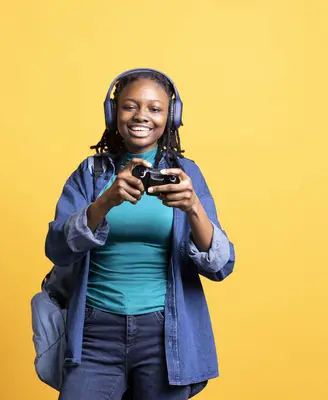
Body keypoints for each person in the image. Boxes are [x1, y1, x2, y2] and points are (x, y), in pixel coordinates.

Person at [44, 68, 236, 400]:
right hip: (94, 330)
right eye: (130, 106)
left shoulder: (187, 174)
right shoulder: (91, 174)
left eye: (154, 108)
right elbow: (58, 249)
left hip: (164, 335)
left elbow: (220, 265)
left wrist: (193, 207)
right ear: (113, 112)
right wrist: (105, 201)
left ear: (171, 117)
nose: (141, 116)